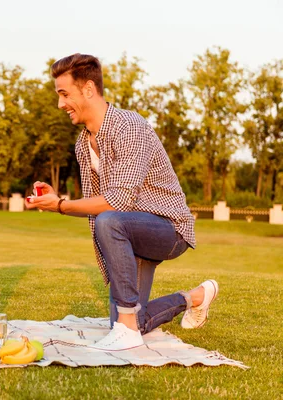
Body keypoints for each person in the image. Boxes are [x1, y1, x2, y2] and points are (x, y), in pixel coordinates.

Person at [25, 53, 218, 351]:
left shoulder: (130, 127)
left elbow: (116, 203)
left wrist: (61, 205)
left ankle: (126, 323)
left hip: (169, 229)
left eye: (64, 94)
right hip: (129, 231)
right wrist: (56, 199)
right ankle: (195, 297)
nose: (60, 104)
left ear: (88, 89)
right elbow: (97, 204)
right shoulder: (82, 143)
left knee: (110, 222)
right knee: (133, 323)